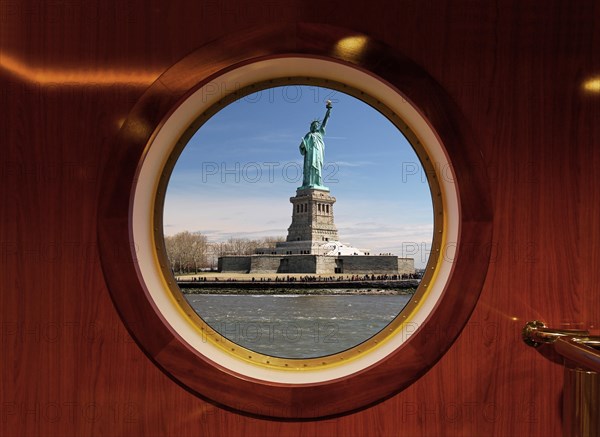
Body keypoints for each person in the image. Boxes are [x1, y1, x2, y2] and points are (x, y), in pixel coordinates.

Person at [299, 101, 332, 188]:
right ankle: (309, 183)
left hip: (318, 154)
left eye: (317, 125)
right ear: (311, 126)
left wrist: (328, 111)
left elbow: (324, 123)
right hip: (310, 155)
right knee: (310, 168)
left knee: (318, 168)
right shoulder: (308, 135)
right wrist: (303, 144)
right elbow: (302, 147)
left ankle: (318, 183)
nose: (315, 127)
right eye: (314, 125)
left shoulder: (319, 133)